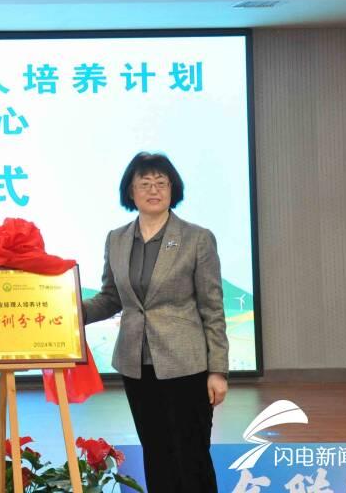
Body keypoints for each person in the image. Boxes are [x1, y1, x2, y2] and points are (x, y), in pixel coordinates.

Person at [82, 152, 228, 493]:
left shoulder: (197, 238)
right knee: (156, 452)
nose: (153, 190)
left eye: (161, 183)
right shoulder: (117, 239)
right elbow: (111, 298)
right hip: (137, 365)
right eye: (144, 183)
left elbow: (212, 308)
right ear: (130, 192)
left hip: (186, 364)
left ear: (173, 190)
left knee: (191, 454)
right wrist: (67, 314)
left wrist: (218, 370)